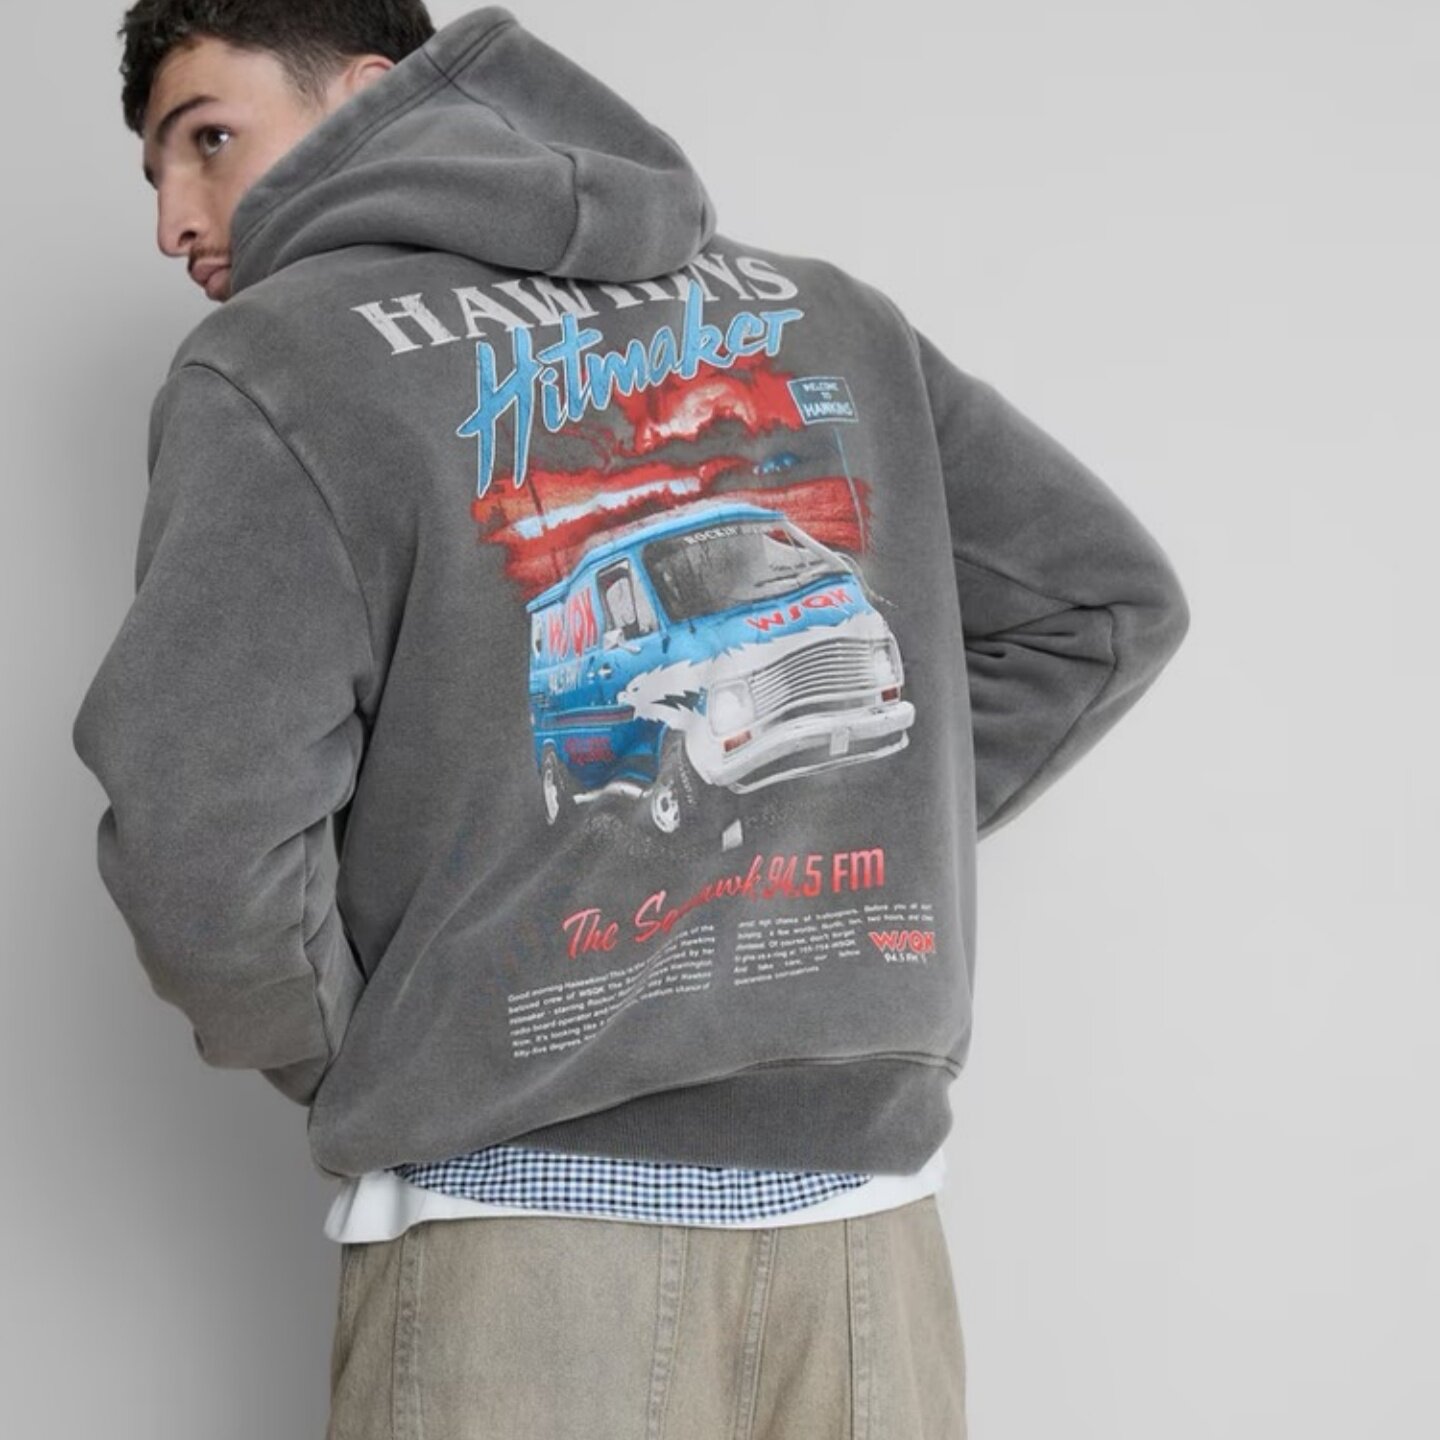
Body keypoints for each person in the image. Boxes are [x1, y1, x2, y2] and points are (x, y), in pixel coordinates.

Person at [72, 2, 1191, 1436]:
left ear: (369, 94)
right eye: (157, 173)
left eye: (209, 140)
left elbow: (198, 825)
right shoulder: (827, 313)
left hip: (522, 1248)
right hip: (871, 1249)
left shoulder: (285, 362)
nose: (175, 218)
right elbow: (1102, 608)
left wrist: (393, 1036)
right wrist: (814, 843)